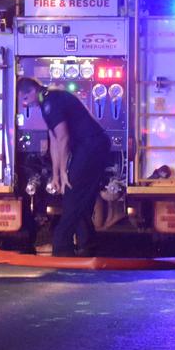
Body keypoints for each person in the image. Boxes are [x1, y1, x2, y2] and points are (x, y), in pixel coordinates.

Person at [17, 76, 110, 257]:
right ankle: (87, 245)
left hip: (93, 146)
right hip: (89, 146)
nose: (25, 105)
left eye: (25, 99)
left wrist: (65, 171)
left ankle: (62, 247)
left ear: (33, 91)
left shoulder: (52, 101)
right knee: (76, 196)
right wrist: (57, 175)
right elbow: (54, 141)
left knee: (72, 194)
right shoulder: (46, 103)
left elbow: (64, 138)